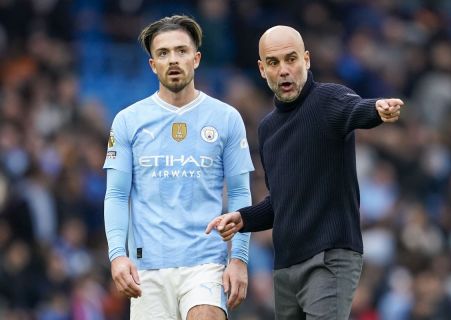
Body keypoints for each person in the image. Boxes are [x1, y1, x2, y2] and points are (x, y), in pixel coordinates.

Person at [206, 25, 404, 320]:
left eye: (291, 59)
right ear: (262, 69)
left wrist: (378, 109)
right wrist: (244, 218)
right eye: (274, 63)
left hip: (329, 258)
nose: (284, 70)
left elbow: (356, 109)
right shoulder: (268, 129)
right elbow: (280, 202)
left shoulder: (328, 100)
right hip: (285, 268)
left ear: (306, 60)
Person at [103, 15, 254, 320]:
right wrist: (118, 256)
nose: (173, 59)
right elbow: (117, 195)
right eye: (163, 53)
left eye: (181, 51)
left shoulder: (226, 118)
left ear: (196, 59)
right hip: (148, 268)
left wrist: (238, 258)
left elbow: (239, 192)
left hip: (205, 262)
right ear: (152, 64)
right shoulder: (128, 121)